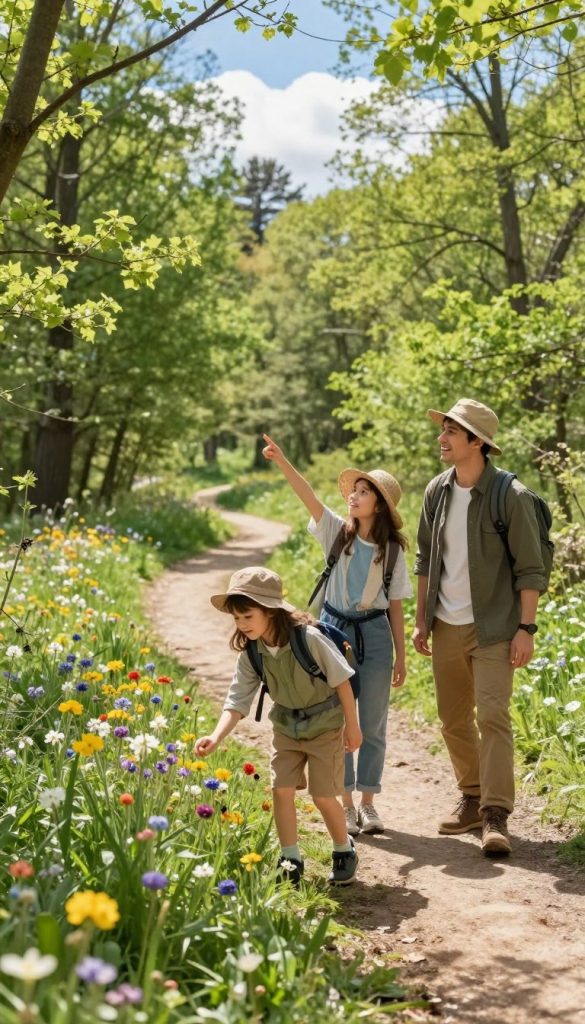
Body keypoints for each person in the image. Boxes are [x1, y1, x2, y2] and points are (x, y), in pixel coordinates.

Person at [412, 398, 547, 856]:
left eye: (452, 431)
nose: (442, 438)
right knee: (453, 720)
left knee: (492, 716)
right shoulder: (437, 491)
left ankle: (495, 814)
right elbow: (425, 561)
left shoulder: (511, 495)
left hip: (495, 626)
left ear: (477, 442)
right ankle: (471, 797)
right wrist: (420, 622)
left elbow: (530, 567)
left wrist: (526, 628)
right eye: (444, 429)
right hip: (445, 624)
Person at [261, 435, 412, 837]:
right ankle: (344, 804)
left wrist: (401, 655)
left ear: (379, 505)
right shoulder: (335, 532)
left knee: (374, 721)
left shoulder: (393, 550)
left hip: (375, 634)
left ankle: (368, 804)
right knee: (338, 719)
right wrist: (282, 460)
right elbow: (306, 494)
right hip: (333, 631)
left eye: (364, 493)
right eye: (355, 491)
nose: (355, 497)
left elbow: (395, 605)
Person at [195, 565, 363, 886]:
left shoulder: (309, 639)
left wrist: (352, 727)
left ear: (270, 612)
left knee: (324, 794)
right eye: (237, 619)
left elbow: (342, 680)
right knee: (281, 789)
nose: (242, 625)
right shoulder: (252, 653)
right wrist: (215, 737)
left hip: (326, 725)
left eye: (248, 616)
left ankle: (344, 849)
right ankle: (290, 858)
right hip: (286, 726)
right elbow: (237, 700)